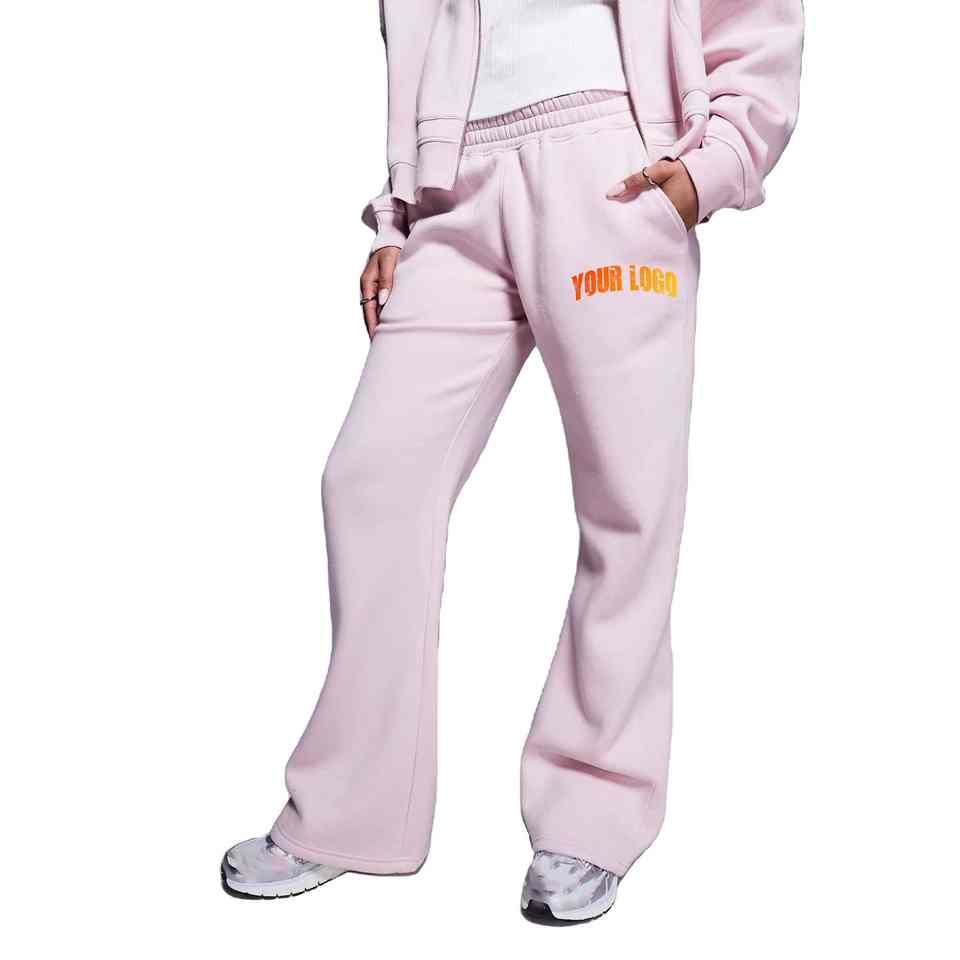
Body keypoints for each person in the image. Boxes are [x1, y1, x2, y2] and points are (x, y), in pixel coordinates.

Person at [222, 0, 803, 922]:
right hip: (455, 188)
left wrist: (713, 167)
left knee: (628, 501)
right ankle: (353, 809)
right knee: (371, 481)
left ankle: (593, 809)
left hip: (614, 166)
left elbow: (753, 15)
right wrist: (396, 219)